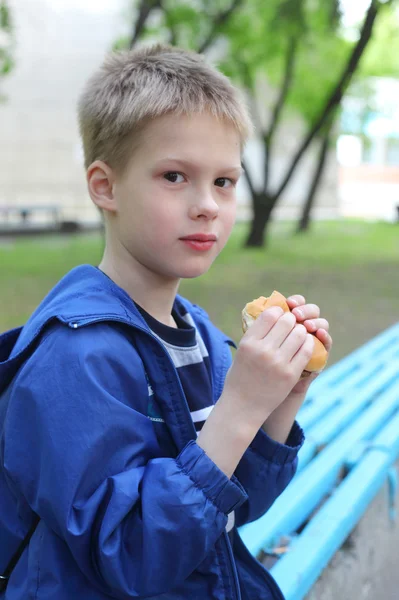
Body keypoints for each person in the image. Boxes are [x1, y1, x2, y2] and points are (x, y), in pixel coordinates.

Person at [0, 44, 332, 600]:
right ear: (105, 186)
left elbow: (235, 505)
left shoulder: (199, 334)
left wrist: (282, 401)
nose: (207, 205)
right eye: (175, 176)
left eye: (225, 181)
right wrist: (242, 406)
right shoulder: (75, 359)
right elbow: (131, 556)